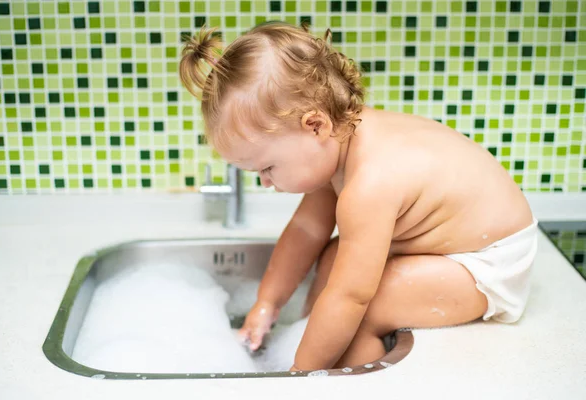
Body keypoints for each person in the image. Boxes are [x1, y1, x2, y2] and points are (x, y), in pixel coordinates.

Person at [179, 21, 538, 372]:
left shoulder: (370, 183)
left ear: (315, 125)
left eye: (267, 167)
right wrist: (266, 304)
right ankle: (312, 341)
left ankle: (348, 381)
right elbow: (305, 231)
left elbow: (350, 298)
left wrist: (299, 378)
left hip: (489, 263)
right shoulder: (337, 145)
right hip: (456, 245)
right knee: (334, 256)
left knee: (366, 305)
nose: (266, 182)